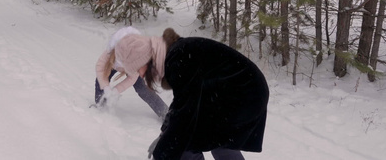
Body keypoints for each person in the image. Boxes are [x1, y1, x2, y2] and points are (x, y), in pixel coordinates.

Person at [113, 27, 269, 160]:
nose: (140, 75)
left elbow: (185, 114)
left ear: (143, 59)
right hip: (243, 91)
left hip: (242, 94)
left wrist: (164, 150)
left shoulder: (177, 59)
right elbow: (181, 105)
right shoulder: (174, 54)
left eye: (137, 68)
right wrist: (165, 133)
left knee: (188, 144)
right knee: (218, 141)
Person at [94, 26, 169, 120]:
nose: (143, 75)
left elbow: (132, 78)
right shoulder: (110, 54)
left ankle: (165, 113)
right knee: (101, 80)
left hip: (131, 64)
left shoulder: (139, 58)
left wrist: (116, 91)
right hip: (114, 63)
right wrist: (106, 87)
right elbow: (100, 68)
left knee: (143, 89)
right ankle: (101, 107)